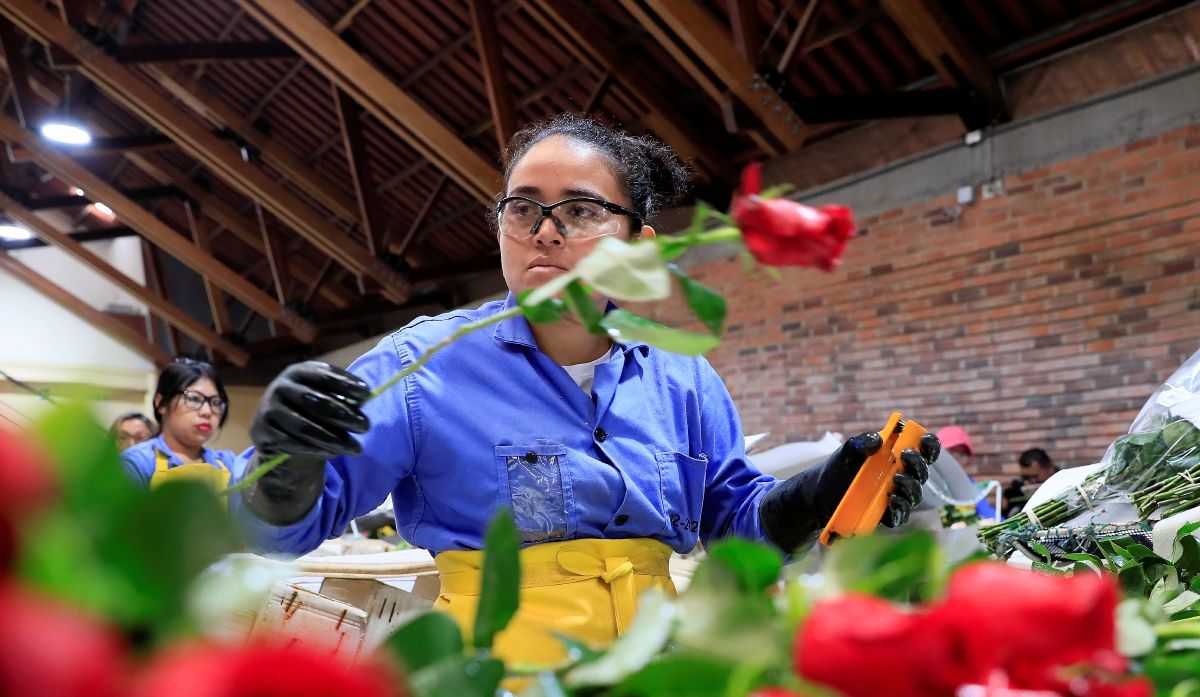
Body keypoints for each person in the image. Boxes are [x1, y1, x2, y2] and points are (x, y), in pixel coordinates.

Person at [235, 115, 940, 668]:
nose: (544, 233)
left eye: (577, 211)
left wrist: (819, 499)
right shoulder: (422, 368)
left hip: (658, 669)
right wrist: (287, 461)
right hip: (498, 685)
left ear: (637, 242)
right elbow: (278, 528)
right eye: (523, 210)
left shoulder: (682, 380)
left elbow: (736, 527)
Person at [121, 357, 237, 491]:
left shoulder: (228, 463)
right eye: (194, 398)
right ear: (161, 402)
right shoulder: (136, 463)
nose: (207, 411)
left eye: (215, 402)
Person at [936, 425, 1000, 522]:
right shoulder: (928, 483)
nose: (955, 460)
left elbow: (987, 512)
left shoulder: (967, 483)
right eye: (950, 453)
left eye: (961, 455)